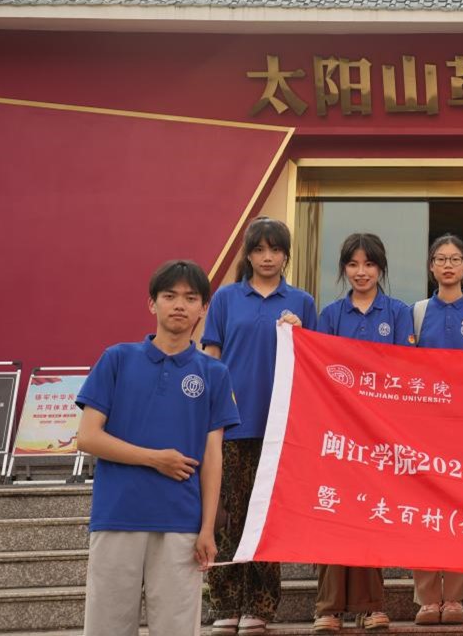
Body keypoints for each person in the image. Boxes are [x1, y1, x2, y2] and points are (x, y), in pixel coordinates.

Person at [76, 260, 240, 636]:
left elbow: (213, 456)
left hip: (181, 522)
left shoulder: (215, 374)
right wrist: (155, 459)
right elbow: (87, 437)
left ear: (204, 308)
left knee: (177, 629)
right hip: (117, 516)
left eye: (190, 298)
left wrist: (208, 529)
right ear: (152, 303)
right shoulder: (117, 359)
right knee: (107, 628)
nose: (179, 305)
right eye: (169, 296)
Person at [203, 217, 318, 635]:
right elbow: (211, 356)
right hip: (232, 424)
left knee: (268, 517)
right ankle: (224, 602)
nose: (267, 257)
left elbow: (315, 363)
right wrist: (209, 413)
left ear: (286, 255)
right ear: (248, 255)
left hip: (281, 425)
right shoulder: (226, 298)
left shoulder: (302, 302)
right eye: (259, 250)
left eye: (275, 250)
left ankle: (262, 605)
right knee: (230, 514)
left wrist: (302, 335)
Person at [312, 233, 413, 633]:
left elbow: (405, 370)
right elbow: (319, 368)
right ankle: (329, 607)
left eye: (369, 264)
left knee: (371, 512)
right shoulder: (331, 315)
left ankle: (371, 607)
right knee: (333, 511)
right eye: (353, 264)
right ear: (343, 270)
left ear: (380, 268)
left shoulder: (399, 313)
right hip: (337, 430)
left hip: (381, 434)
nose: (361, 272)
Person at [409, 233, 463, 625]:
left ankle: (455, 596)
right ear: (431, 266)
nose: (447, 265)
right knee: (424, 510)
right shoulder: (416, 312)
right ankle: (427, 597)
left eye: (455, 259)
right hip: (423, 427)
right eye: (440, 259)